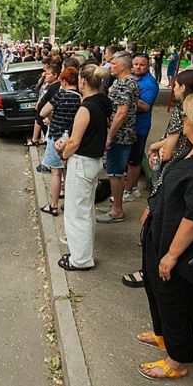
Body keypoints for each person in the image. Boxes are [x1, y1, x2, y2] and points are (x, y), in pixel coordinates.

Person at [138, 92, 193, 380]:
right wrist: (152, 208)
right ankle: (163, 335)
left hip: (176, 245)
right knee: (155, 288)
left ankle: (177, 360)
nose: (182, 120)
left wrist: (172, 255)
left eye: (186, 116)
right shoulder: (191, 147)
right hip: (159, 232)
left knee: (176, 301)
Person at [121, 69, 193, 288]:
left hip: (172, 169)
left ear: (184, 88)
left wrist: (156, 150)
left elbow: (171, 146)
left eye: (176, 86)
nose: (173, 89)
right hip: (178, 167)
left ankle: (148, 269)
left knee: (151, 222)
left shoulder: (183, 110)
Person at [55, 64, 112, 270]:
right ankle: (82, 253)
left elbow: (75, 142)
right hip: (93, 162)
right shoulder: (102, 104)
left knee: (76, 213)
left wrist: (63, 153)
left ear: (82, 81)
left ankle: (80, 259)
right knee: (85, 211)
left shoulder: (86, 108)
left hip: (81, 163)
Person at [97, 52, 139, 223]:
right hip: (124, 133)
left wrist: (109, 135)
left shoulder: (124, 84)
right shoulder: (127, 82)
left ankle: (117, 210)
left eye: (113, 64)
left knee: (115, 173)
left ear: (123, 66)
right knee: (117, 172)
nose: (110, 66)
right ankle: (117, 204)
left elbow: (121, 113)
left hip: (120, 135)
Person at [39, 67, 81, 216]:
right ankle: (68, 205)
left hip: (56, 138)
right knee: (70, 174)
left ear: (63, 81)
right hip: (72, 139)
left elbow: (43, 111)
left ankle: (53, 205)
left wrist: (51, 117)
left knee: (56, 173)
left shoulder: (60, 95)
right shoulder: (80, 98)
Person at [124, 54, 159, 202]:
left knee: (135, 160)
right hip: (129, 126)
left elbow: (145, 106)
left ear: (148, 65)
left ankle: (128, 190)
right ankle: (133, 186)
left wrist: (126, 98)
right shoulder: (132, 78)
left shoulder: (150, 84)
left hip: (139, 127)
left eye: (142, 65)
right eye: (136, 64)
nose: (138, 67)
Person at [29, 63, 61, 150]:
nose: (46, 76)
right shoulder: (50, 85)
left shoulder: (55, 87)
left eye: (48, 74)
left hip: (48, 115)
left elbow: (47, 100)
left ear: (55, 75)